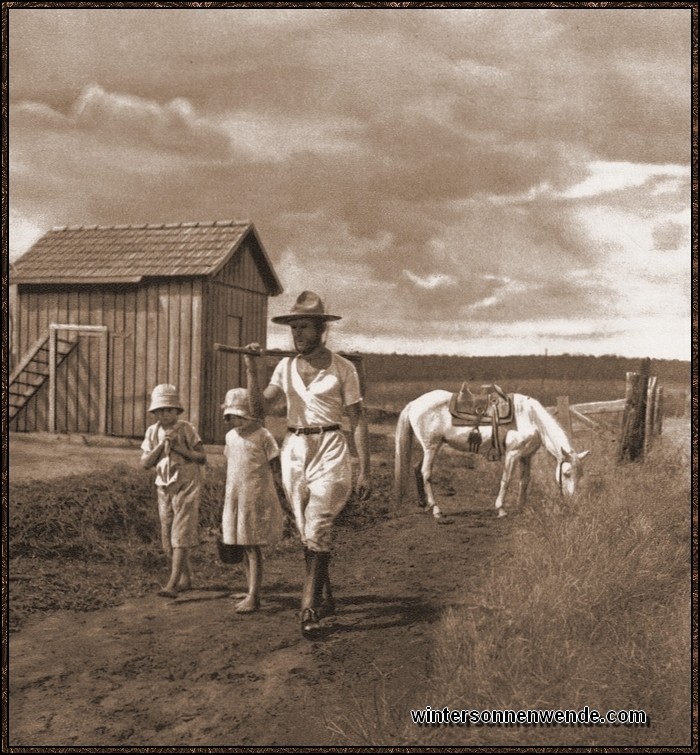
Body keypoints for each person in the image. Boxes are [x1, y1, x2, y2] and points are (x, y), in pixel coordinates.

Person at [244, 290, 371, 638]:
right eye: (293, 328)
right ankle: (325, 596)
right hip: (295, 449)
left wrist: (364, 468)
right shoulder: (285, 368)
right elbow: (258, 410)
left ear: (321, 330)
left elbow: (357, 420)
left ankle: (308, 609)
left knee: (317, 524)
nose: (297, 334)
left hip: (330, 446)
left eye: (304, 328)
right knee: (307, 530)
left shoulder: (343, 368)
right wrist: (253, 370)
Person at [221, 387, 285, 613]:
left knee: (252, 545)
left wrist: (280, 491)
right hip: (236, 496)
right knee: (241, 543)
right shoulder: (230, 437)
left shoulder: (263, 435)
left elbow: (276, 465)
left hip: (255, 496)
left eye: (241, 415)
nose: (237, 421)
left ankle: (254, 596)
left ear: (251, 414)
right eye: (232, 416)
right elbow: (232, 465)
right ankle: (250, 589)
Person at [140, 384, 207, 598]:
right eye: (160, 410)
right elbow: (145, 462)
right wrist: (162, 445)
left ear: (176, 411)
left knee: (181, 531)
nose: (165, 414)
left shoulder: (186, 428)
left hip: (187, 482)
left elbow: (201, 457)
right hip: (164, 485)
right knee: (167, 533)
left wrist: (177, 447)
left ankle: (172, 583)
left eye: (169, 410)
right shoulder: (152, 432)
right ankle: (186, 579)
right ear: (155, 413)